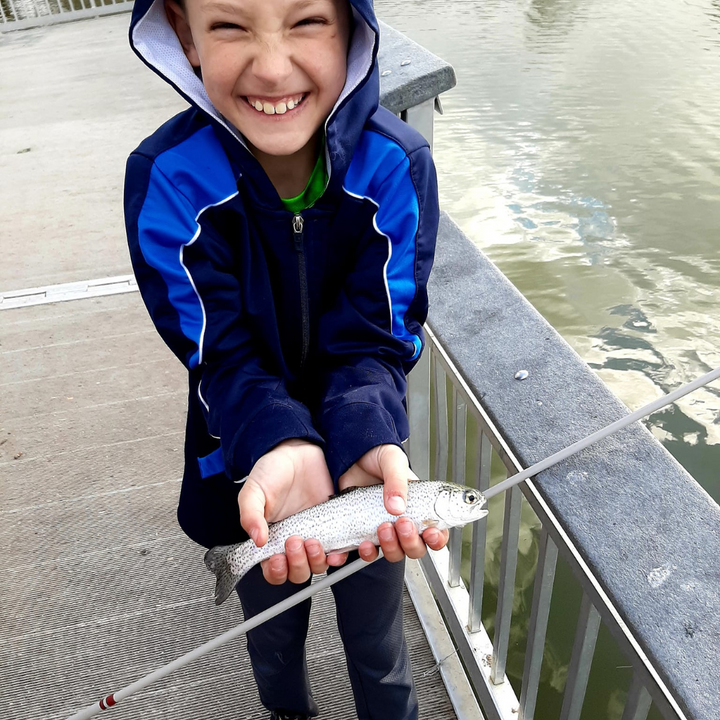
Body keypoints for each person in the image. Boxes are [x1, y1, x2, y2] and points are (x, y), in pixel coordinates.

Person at [124, 0, 447, 717]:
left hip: (364, 468)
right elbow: (217, 352)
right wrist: (276, 439)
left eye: (306, 21)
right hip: (250, 467)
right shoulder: (166, 180)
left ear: (353, 29)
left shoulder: (397, 165)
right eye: (231, 25)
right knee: (270, 633)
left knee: (377, 641)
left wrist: (363, 436)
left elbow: (379, 334)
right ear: (184, 34)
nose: (272, 67)